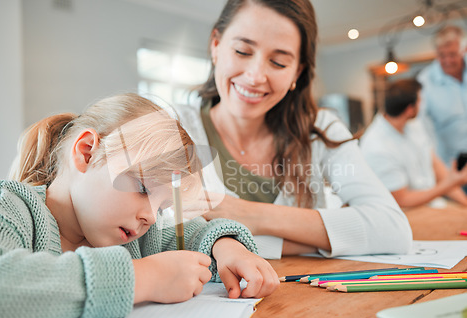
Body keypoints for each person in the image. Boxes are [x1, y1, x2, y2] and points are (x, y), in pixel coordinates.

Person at [0, 93, 278, 318]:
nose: (152, 217)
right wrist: (142, 278)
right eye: (143, 188)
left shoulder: (137, 234)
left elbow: (194, 232)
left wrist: (226, 246)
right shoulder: (9, 205)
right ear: (86, 152)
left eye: (161, 206)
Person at [175, 0, 412, 259]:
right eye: (243, 51)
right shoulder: (170, 127)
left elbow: (392, 229)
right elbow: (160, 238)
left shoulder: (322, 129)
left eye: (278, 62)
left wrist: (248, 214)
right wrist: (311, 241)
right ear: (216, 45)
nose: (255, 77)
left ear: (297, 72)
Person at [360, 79, 467, 208]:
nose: (421, 104)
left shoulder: (413, 124)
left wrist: (464, 203)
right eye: (419, 101)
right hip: (406, 213)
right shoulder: (377, 147)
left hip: (434, 205)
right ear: (410, 109)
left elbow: (435, 164)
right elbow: (402, 200)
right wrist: (449, 184)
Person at [417, 25, 467, 170]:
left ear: (464, 50)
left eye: (452, 54)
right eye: (441, 55)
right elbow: (421, 128)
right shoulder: (425, 82)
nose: (447, 61)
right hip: (452, 165)